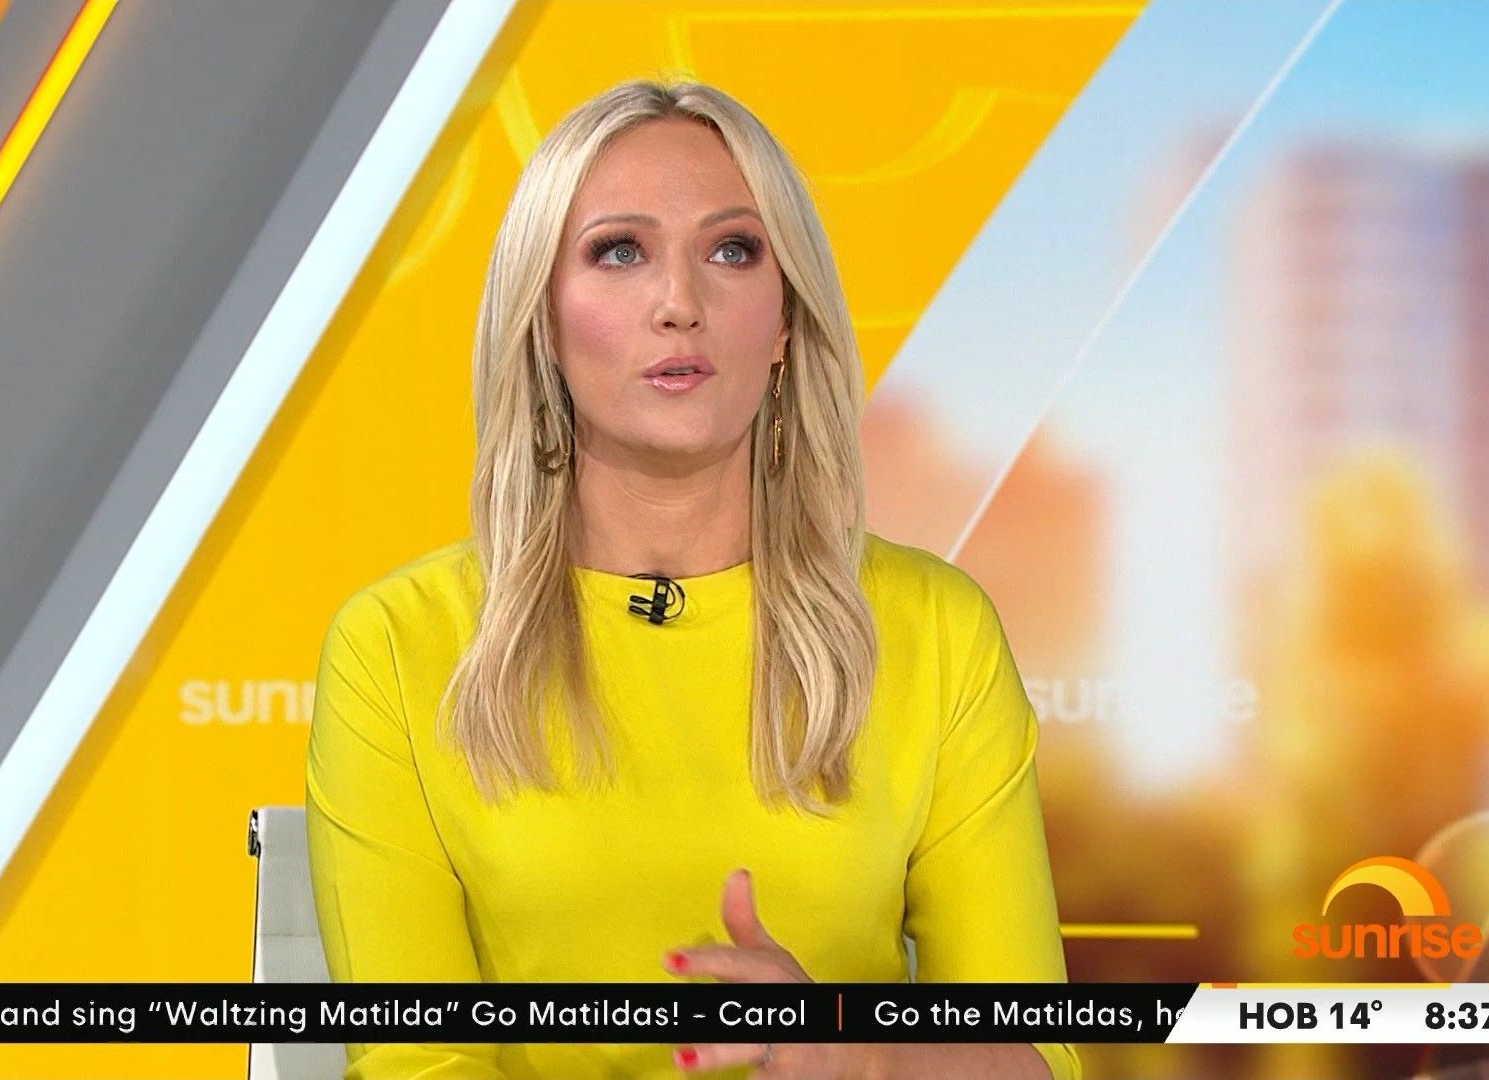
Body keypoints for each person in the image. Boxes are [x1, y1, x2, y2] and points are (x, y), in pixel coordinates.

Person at [305, 78, 1077, 1079]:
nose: (679, 305)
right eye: (619, 252)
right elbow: (416, 1065)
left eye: (732, 251)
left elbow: (1038, 1057)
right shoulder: (395, 645)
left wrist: (860, 1061)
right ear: (541, 319)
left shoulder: (936, 628)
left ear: (786, 318)